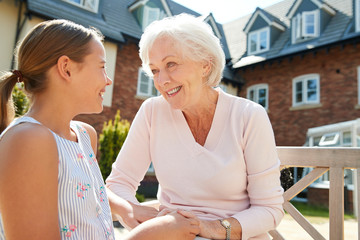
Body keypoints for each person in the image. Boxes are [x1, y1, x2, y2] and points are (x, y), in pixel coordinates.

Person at [0, 19, 199, 240]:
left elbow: (83, 192)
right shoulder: (27, 141)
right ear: (66, 68)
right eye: (102, 67)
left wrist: (126, 208)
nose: (108, 80)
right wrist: (149, 235)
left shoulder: (84, 135)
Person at [106, 13, 284, 240]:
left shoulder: (249, 116)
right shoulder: (152, 111)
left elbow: (270, 209)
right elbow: (116, 186)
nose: (161, 81)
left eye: (171, 64)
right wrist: (133, 210)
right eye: (155, 71)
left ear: (205, 66)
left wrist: (210, 228)